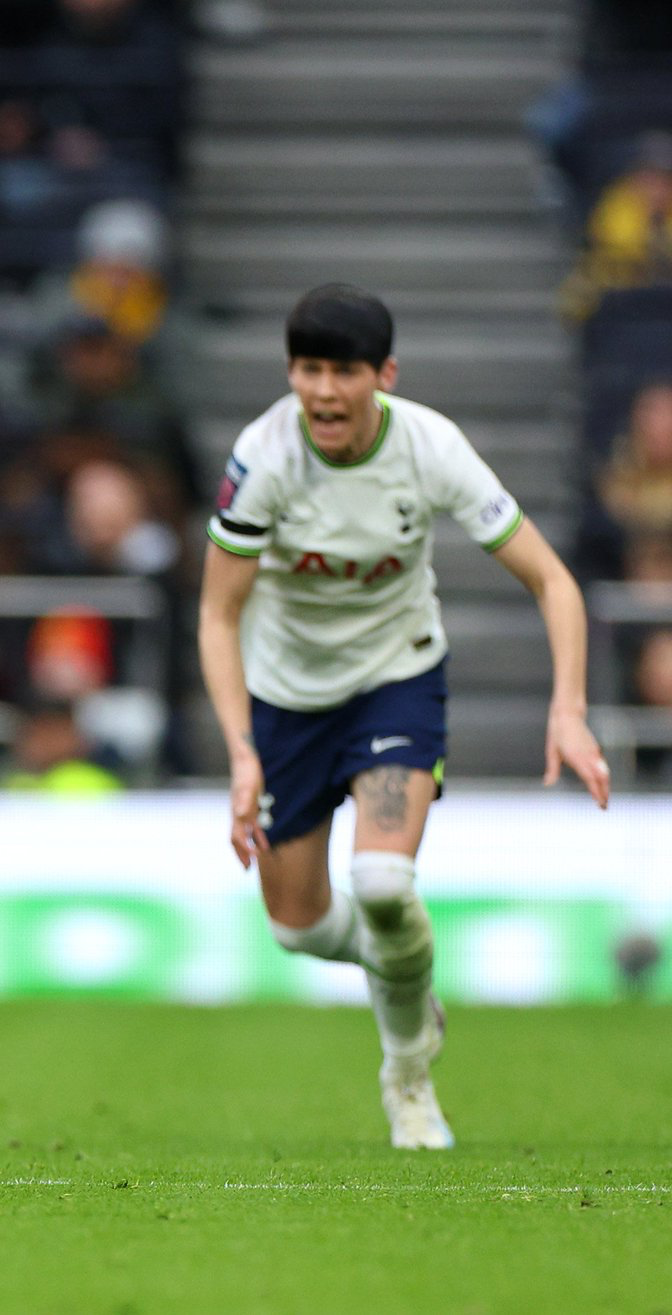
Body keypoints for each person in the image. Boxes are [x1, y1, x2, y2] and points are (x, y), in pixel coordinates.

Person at [198, 284, 612, 1151]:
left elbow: (553, 579)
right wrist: (242, 754)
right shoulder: (262, 456)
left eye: (342, 371)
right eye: (308, 369)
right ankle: (406, 975)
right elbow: (218, 614)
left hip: (398, 680)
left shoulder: (431, 448)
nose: (322, 391)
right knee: (299, 927)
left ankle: (409, 1081)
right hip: (287, 699)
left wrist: (568, 710)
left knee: (384, 884)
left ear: (382, 375)